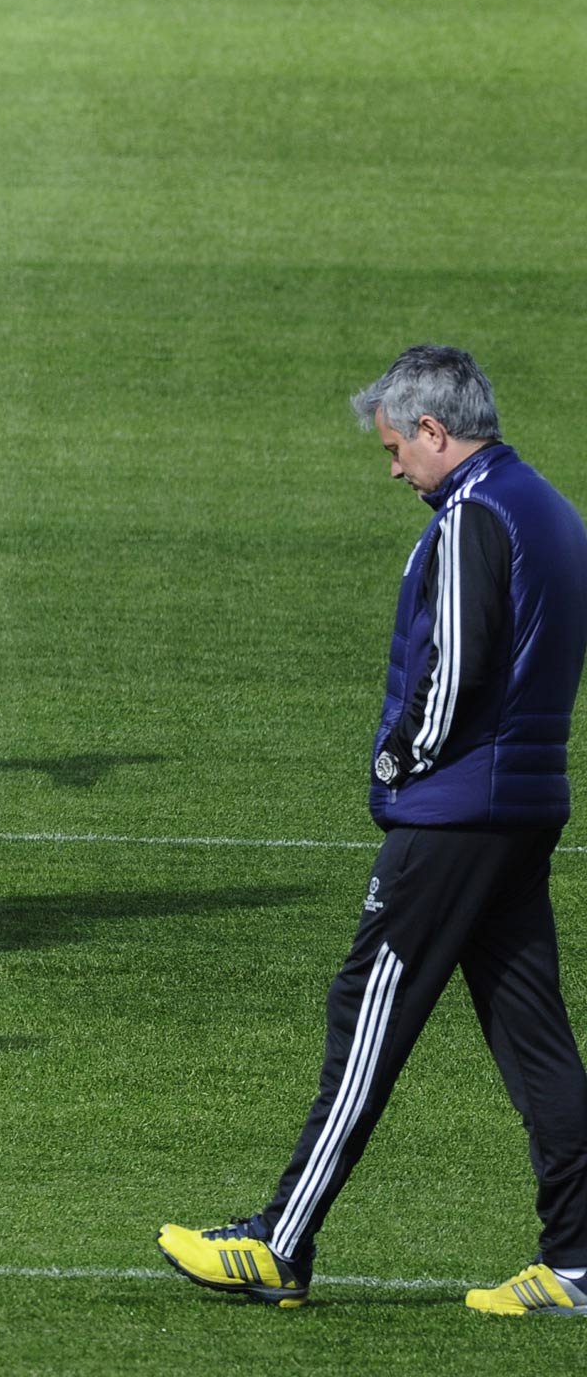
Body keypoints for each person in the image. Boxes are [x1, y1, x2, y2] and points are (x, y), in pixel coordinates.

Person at [157, 345, 587, 1315]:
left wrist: (397, 761)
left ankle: (279, 1239)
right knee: (533, 1037)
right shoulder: (549, 509)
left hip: (453, 817)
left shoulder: (471, 515)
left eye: (397, 447)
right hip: (519, 807)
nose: (393, 467)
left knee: (367, 1014)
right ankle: (578, 1258)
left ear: (435, 432)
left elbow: (455, 672)